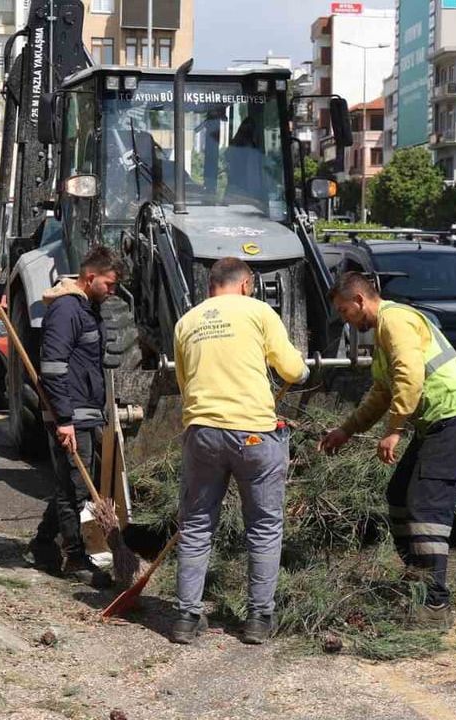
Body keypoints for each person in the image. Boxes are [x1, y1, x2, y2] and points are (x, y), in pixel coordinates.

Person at [318, 272, 456, 628]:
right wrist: (346, 431)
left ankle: (435, 604)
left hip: (454, 414)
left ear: (360, 299)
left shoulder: (395, 321)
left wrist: (394, 431)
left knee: (427, 505)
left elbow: (410, 377)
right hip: (438, 419)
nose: (344, 318)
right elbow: (382, 392)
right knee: (398, 494)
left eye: (344, 310)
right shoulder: (382, 334)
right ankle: (416, 579)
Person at [169, 257, 309, 645]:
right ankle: (259, 619)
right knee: (263, 527)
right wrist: (303, 373)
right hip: (253, 434)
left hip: (202, 433)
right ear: (246, 285)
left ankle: (184, 617)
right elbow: (293, 370)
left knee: (196, 526)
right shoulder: (259, 312)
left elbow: (185, 383)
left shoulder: (187, 321)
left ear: (210, 286)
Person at [27, 246, 125, 587]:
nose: (112, 291)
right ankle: (74, 557)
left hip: (84, 412)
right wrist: (64, 419)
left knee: (74, 484)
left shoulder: (86, 308)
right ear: (90, 277)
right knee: (74, 487)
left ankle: (42, 543)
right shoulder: (67, 310)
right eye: (109, 284)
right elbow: (53, 367)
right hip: (69, 414)